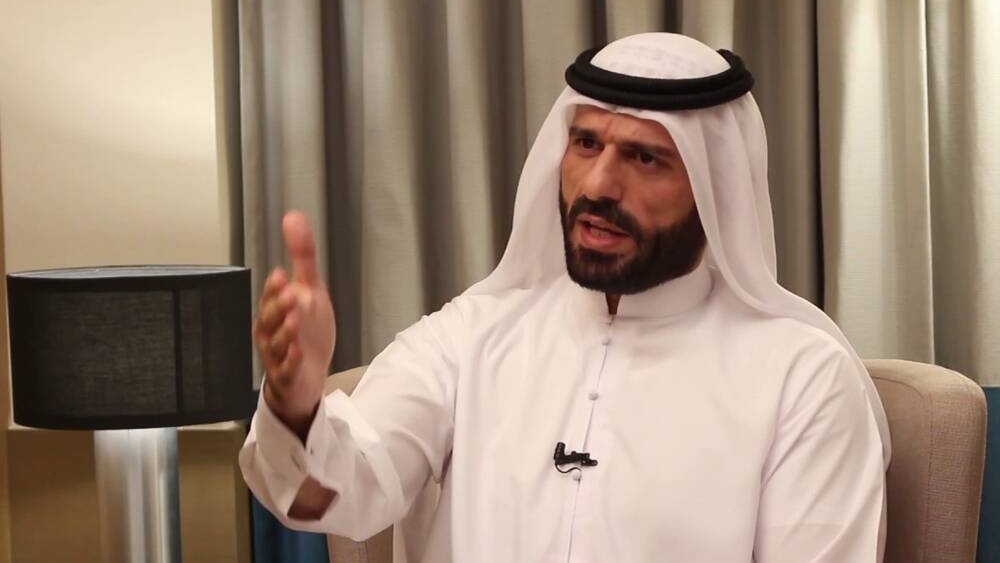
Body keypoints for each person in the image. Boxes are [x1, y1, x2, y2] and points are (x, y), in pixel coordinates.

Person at [240, 32, 890, 563]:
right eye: (586, 144)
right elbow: (334, 497)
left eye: (645, 158)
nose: (599, 185)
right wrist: (296, 405)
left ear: (713, 187)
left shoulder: (802, 377)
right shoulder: (472, 335)